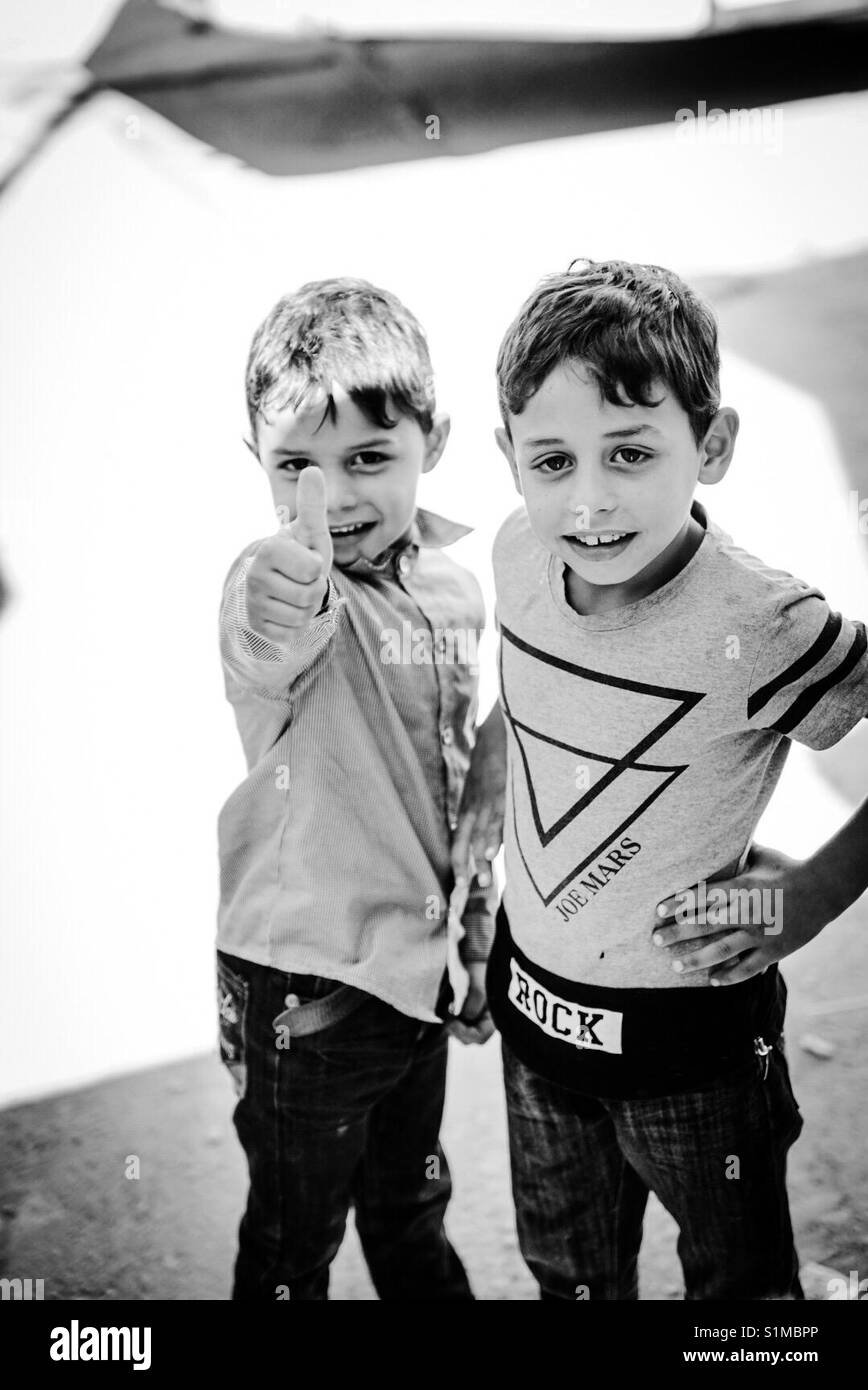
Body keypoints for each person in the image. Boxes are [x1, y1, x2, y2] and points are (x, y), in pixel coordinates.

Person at [453, 258, 868, 1300]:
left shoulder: (759, 621)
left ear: (712, 445)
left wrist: (809, 894)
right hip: (535, 1024)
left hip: (696, 1056)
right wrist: (476, 828)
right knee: (568, 1273)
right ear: (507, 457)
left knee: (737, 1287)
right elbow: (526, 709)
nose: (588, 502)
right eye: (551, 460)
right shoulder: (514, 557)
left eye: (630, 452)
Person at [216, 278, 494, 1301]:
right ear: (258, 461)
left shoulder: (456, 587)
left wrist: (472, 937)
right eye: (295, 465)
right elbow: (260, 630)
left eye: (369, 458)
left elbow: (461, 780)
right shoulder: (284, 585)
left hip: (412, 979)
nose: (327, 498)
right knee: (293, 1248)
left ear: (436, 437)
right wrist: (272, 584)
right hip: (306, 988)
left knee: (411, 1208)